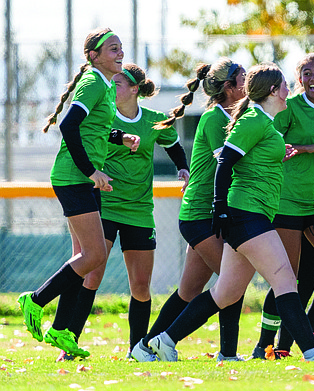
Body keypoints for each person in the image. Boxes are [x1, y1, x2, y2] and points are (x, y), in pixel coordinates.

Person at [146, 63, 314, 362]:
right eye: (284, 86)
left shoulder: (264, 121)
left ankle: (165, 340)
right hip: (247, 214)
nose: (288, 91)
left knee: (225, 293)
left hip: (254, 214)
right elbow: (224, 162)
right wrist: (220, 210)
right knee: (284, 280)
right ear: (272, 91)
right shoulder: (254, 119)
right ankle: (311, 350)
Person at [51, 63, 189, 361]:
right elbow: (79, 135)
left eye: (119, 84)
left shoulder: (154, 120)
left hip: (139, 210)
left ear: (135, 89)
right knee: (92, 275)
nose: (113, 88)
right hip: (104, 206)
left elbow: (175, 146)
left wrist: (183, 167)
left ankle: (137, 350)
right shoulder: (104, 116)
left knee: (140, 285)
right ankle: (69, 345)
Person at [17, 28, 139, 358]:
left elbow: (93, 127)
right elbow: (68, 125)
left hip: (83, 180)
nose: (120, 53)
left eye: (121, 48)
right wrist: (91, 171)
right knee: (95, 256)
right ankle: (35, 299)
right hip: (74, 178)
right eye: (112, 49)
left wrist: (120, 138)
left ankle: (62, 331)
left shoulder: (102, 85)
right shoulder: (94, 81)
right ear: (93, 56)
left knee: (83, 260)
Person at [130, 58, 248, 363]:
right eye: (243, 79)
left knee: (189, 290)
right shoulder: (214, 119)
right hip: (200, 215)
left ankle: (144, 348)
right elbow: (234, 164)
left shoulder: (240, 115)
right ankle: (227, 352)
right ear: (228, 87)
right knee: (231, 282)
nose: (247, 83)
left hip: (207, 215)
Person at [251, 54, 314, 359]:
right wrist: (312, 148)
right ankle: (267, 346)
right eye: (307, 72)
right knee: (286, 278)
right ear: (299, 80)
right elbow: (274, 147)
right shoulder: (289, 107)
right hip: (286, 204)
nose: (313, 77)